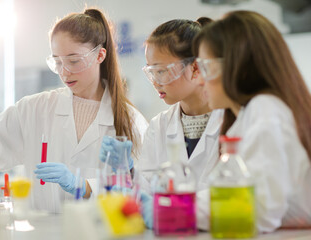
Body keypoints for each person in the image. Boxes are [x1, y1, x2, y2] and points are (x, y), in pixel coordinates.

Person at [0, 8, 148, 213]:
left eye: (73, 61)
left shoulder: (130, 120)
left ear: (100, 55)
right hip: (41, 231)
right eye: (58, 62)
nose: (64, 72)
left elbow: (143, 187)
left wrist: (86, 185)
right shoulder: (36, 108)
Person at [100, 18, 223, 228]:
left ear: (195, 68)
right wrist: (127, 171)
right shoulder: (159, 126)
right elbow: (145, 194)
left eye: (162, 71)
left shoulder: (231, 121)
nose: (156, 81)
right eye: (151, 72)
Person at [194, 10, 311, 232]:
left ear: (240, 66)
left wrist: (180, 209)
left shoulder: (266, 110)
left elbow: (258, 209)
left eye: (206, 68)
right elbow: (229, 190)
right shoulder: (249, 115)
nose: (200, 80)